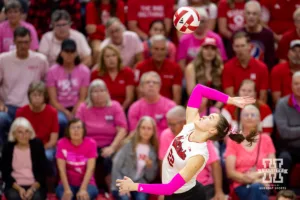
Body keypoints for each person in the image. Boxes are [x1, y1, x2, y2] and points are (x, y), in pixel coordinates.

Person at [116, 83, 256, 199]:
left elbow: (170, 188)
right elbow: (199, 89)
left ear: (212, 131)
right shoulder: (190, 125)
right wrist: (229, 100)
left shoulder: (198, 156)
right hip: (171, 192)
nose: (204, 116)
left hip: (186, 196)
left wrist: (135, 186)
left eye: (210, 118)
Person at [159, 106, 225, 200]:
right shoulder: (165, 135)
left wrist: (219, 191)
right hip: (175, 188)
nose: (171, 128)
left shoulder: (200, 139)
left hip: (201, 185)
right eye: (169, 124)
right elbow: (164, 163)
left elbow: (215, 163)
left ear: (184, 122)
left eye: (173, 124)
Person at [76, 79, 128, 194]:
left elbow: (122, 129)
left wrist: (113, 147)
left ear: (107, 92)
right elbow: (76, 128)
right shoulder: (83, 108)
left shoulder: (115, 106)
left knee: (108, 159)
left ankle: (112, 188)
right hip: (88, 144)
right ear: (90, 94)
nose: (99, 94)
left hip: (109, 144)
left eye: (102, 90)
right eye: (95, 91)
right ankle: (86, 188)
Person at [0, 27, 48, 144]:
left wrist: (43, 104)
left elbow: (47, 84)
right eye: (20, 42)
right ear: (14, 42)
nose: (23, 46)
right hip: (9, 106)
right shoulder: (3, 59)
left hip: (33, 106)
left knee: (60, 121)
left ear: (31, 41)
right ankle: (4, 152)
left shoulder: (40, 60)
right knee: (0, 119)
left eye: (26, 42)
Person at [225, 105, 276, 200]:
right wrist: (255, 180)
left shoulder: (266, 139)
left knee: (256, 188)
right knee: (256, 188)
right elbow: (230, 172)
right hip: (241, 184)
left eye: (253, 115)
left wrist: (256, 175)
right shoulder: (233, 140)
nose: (249, 117)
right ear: (240, 118)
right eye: (246, 114)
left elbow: (273, 170)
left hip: (263, 184)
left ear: (259, 119)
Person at [46, 39, 90, 137]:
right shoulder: (52, 71)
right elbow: (53, 100)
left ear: (76, 54)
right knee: (61, 121)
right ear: (61, 53)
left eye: (72, 52)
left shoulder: (84, 71)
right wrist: (66, 112)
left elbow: (82, 98)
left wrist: (74, 112)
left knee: (80, 122)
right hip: (59, 107)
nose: (69, 55)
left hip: (77, 106)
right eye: (66, 52)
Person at [111, 116, 159, 200]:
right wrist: (122, 185)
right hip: (123, 181)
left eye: (149, 128)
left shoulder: (152, 151)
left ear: (153, 131)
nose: (146, 131)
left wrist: (149, 167)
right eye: (143, 128)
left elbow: (150, 178)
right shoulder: (128, 145)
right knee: (124, 198)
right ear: (138, 129)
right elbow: (116, 166)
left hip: (140, 184)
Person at [1, 117, 47, 200]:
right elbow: (5, 173)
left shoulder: (37, 145)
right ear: (14, 134)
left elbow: (43, 172)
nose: (24, 135)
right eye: (20, 132)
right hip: (14, 185)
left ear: (31, 133)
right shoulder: (8, 147)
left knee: (37, 197)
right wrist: (19, 189)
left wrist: (32, 190)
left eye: (27, 132)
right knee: (14, 197)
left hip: (35, 184)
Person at [16, 82, 58, 166]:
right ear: (29, 96)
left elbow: (53, 140)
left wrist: (39, 149)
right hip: (25, 145)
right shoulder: (21, 112)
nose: (37, 98)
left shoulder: (52, 112)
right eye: (34, 95)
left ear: (44, 97)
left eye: (40, 95)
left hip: (45, 146)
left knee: (47, 156)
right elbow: (17, 136)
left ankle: (50, 177)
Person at [56, 119, 99, 200]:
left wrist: (83, 189)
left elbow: (90, 169)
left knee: (83, 198)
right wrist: (67, 189)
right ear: (68, 130)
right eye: (73, 128)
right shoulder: (61, 143)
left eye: (79, 127)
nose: (76, 130)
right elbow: (61, 169)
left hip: (88, 183)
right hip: (67, 184)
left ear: (83, 130)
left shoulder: (91, 143)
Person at [222, 31, 269, 103]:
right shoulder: (228, 67)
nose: (240, 49)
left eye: (242, 46)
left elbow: (262, 98)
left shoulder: (262, 68)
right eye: (237, 46)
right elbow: (230, 96)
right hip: (235, 107)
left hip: (256, 107)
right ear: (233, 47)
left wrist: (249, 109)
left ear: (249, 46)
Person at [135, 35, 183, 104]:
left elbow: (177, 96)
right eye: (156, 49)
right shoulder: (140, 67)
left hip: (168, 108)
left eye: (162, 49)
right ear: (150, 49)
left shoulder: (175, 68)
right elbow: (139, 94)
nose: (159, 52)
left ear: (166, 51)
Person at [128, 71, 176, 137]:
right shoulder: (134, 108)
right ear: (141, 87)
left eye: (155, 82)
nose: (151, 84)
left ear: (160, 86)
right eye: (147, 82)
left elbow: (174, 132)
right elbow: (134, 132)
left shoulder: (171, 106)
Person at [231, 1, 276, 69]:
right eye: (248, 13)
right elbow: (232, 59)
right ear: (244, 15)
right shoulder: (236, 34)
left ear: (259, 16)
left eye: (254, 14)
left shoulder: (268, 35)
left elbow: (270, 62)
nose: (251, 16)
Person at [275, 72, 300, 189]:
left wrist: (293, 131)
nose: (299, 87)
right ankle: (280, 191)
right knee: (284, 158)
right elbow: (284, 133)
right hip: (287, 148)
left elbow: (289, 131)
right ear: (291, 85)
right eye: (296, 84)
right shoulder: (282, 104)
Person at [91, 44, 135, 110]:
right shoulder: (96, 74)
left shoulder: (127, 72)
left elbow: (129, 98)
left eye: (114, 55)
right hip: (101, 108)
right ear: (103, 60)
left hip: (123, 108)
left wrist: (119, 110)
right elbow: (93, 96)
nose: (111, 59)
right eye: (107, 56)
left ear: (118, 57)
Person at [185, 37, 223, 108]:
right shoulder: (191, 68)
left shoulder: (220, 68)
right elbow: (191, 93)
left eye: (212, 49)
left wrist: (215, 109)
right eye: (206, 48)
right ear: (201, 50)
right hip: (196, 106)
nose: (209, 52)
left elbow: (224, 93)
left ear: (216, 51)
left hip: (216, 108)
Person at [271, 40, 300, 105]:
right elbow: (276, 100)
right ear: (288, 53)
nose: (297, 54)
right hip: (284, 109)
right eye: (294, 51)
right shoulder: (277, 70)